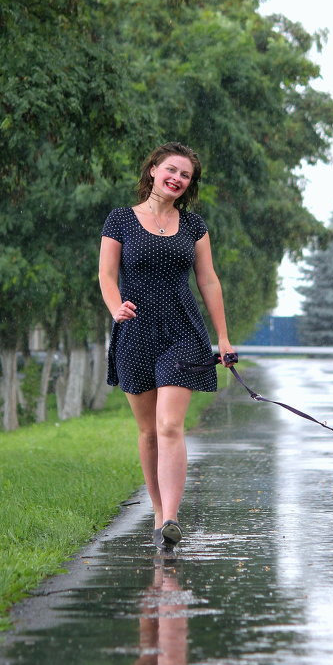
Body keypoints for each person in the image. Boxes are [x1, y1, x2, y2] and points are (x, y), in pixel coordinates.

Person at [99, 142, 234, 550]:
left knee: (170, 425)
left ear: (189, 184)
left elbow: (208, 281)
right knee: (148, 432)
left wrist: (223, 337)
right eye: (171, 170)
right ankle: (159, 516)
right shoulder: (120, 220)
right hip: (136, 330)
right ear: (154, 169)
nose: (177, 178)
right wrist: (114, 307)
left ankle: (172, 517)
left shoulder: (194, 227)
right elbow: (106, 275)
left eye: (186, 175)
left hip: (182, 332)